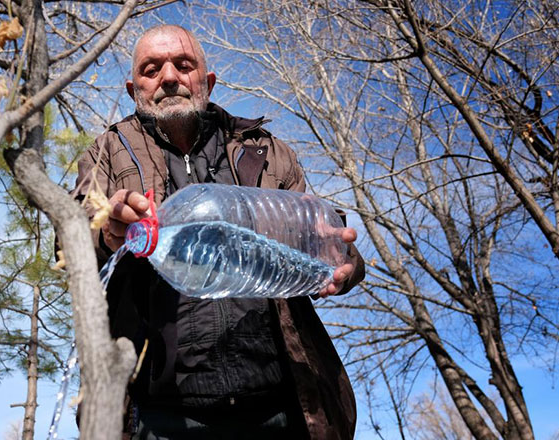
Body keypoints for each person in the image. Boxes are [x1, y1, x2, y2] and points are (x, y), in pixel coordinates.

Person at [74, 25, 365, 440]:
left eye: (183, 65)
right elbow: (70, 241)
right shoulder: (105, 152)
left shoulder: (266, 149)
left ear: (207, 82)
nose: (169, 78)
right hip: (161, 417)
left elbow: (330, 245)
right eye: (152, 69)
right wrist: (107, 232)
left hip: (283, 404)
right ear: (133, 88)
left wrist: (343, 262)